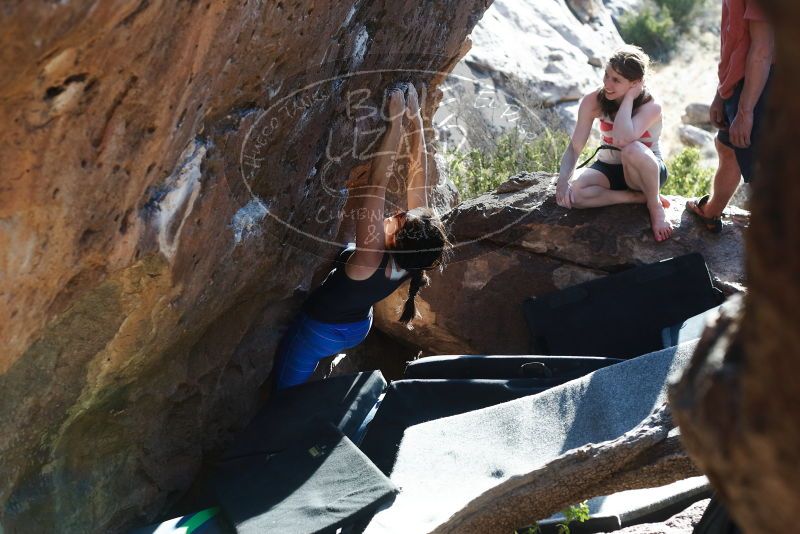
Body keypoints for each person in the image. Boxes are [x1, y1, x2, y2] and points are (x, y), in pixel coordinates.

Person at [272, 84, 450, 391]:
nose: (397, 213)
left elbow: (377, 181)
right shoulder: (414, 258)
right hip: (356, 327)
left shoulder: (371, 255)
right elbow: (416, 175)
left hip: (320, 329)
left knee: (286, 390)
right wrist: (415, 117)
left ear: (399, 234)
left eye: (400, 218)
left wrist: (394, 122)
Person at [555, 45, 673, 242]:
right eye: (606, 75)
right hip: (609, 167)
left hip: (644, 172)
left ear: (636, 84)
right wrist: (563, 180)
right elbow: (575, 147)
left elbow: (622, 138)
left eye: (616, 80)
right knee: (574, 195)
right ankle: (635, 198)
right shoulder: (593, 101)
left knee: (631, 149)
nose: (607, 84)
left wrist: (628, 99)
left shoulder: (651, 106)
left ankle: (654, 206)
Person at [686, 0, 773, 232]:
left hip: (766, 83)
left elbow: (763, 51)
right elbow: (736, 40)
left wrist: (745, 112)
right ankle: (711, 212)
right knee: (728, 147)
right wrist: (722, 93)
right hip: (742, 81)